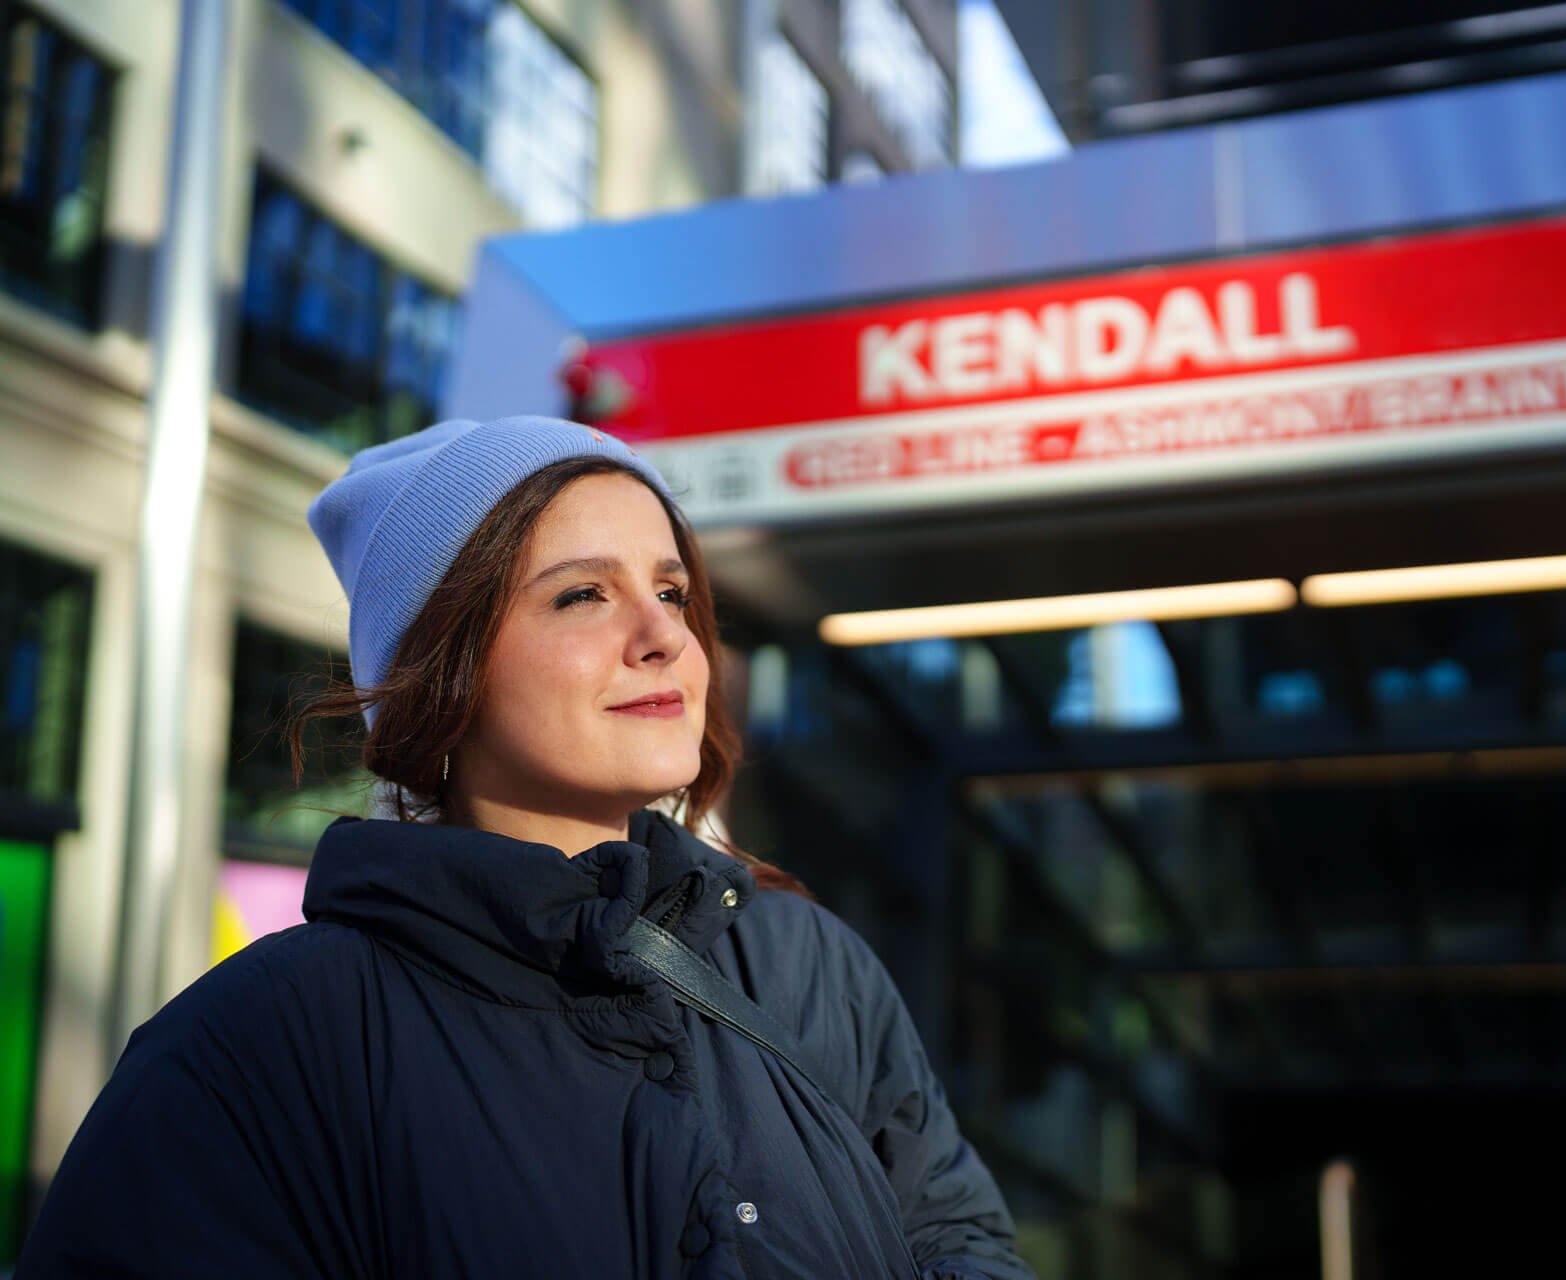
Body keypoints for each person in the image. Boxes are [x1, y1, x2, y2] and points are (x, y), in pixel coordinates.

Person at [19, 416, 1033, 1279]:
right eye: (582, 593)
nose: (663, 636)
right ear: (441, 673)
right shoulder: (257, 1048)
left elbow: (960, 1238)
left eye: (673, 591)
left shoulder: (809, 963)